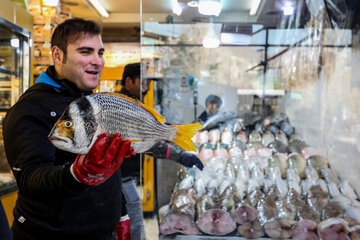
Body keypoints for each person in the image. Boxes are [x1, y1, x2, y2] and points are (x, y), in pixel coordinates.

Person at [2, 18, 134, 240]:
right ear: (57, 55)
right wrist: (77, 173)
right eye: (85, 52)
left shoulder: (91, 102)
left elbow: (108, 170)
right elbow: (30, 178)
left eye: (100, 53)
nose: (97, 61)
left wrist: (120, 213)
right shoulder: (29, 108)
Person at [119, 63, 204, 240]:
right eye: (144, 82)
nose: (148, 86)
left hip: (125, 178)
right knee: (134, 227)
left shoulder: (135, 104)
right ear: (129, 81)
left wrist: (178, 153)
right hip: (121, 179)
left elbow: (146, 143)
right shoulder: (124, 106)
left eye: (149, 82)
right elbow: (148, 144)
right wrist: (178, 154)